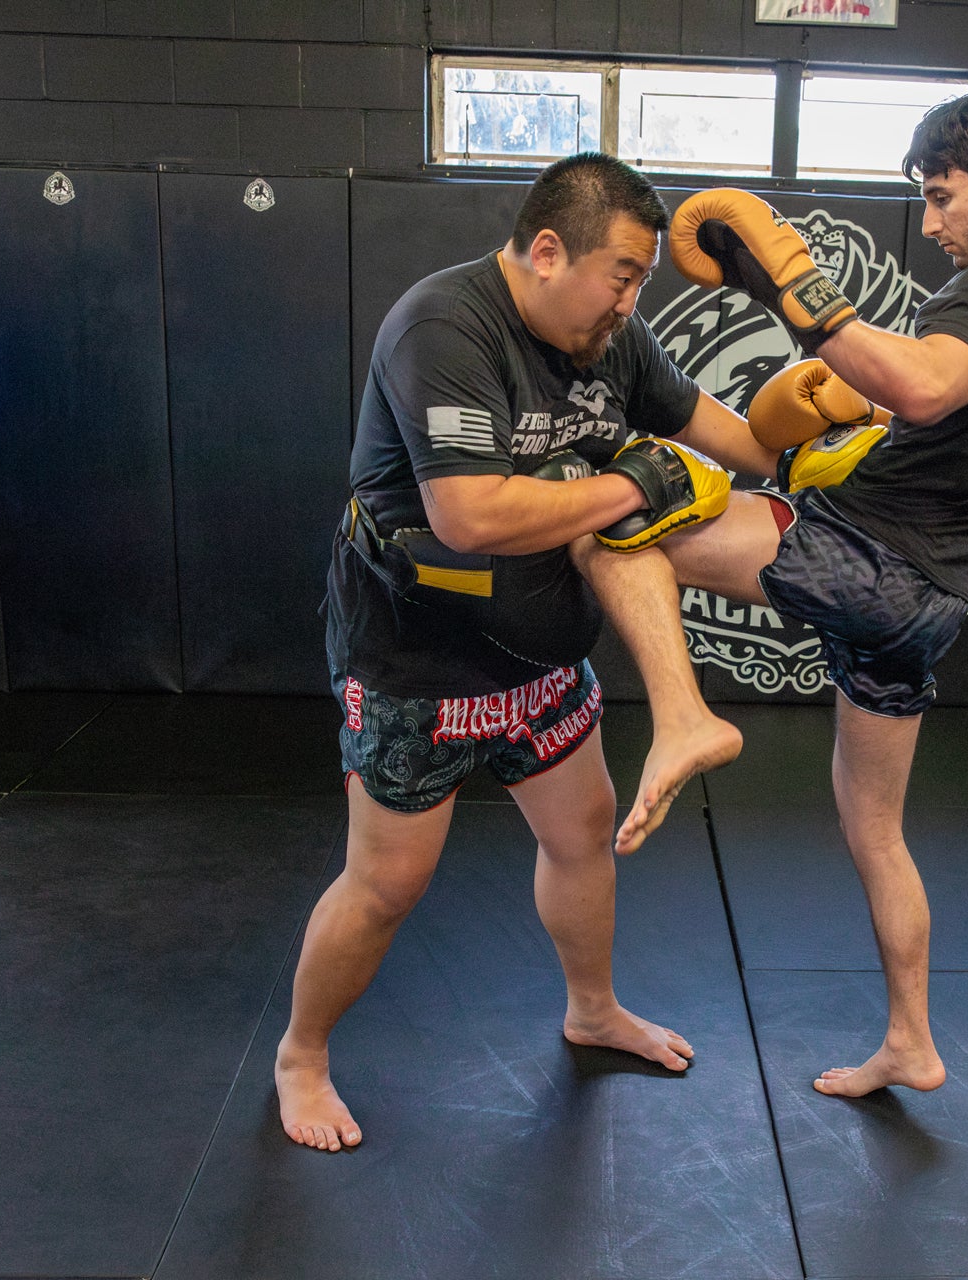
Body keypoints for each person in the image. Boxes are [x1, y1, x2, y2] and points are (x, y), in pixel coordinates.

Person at [582, 93, 968, 1097]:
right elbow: (936, 409)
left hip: (863, 554)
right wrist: (848, 395)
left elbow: (925, 387)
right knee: (875, 828)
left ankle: (685, 715)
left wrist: (795, 290)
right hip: (932, 601)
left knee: (620, 524)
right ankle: (912, 1039)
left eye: (945, 197)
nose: (935, 222)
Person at [276, 152, 777, 1151]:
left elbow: (735, 442)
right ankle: (301, 1053)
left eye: (642, 281)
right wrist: (638, 485)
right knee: (387, 884)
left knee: (584, 830)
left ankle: (591, 1005)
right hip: (419, 661)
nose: (633, 301)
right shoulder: (445, 325)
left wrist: (821, 424)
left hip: (541, 652)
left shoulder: (613, 340)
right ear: (549, 251)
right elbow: (470, 513)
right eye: (625, 274)